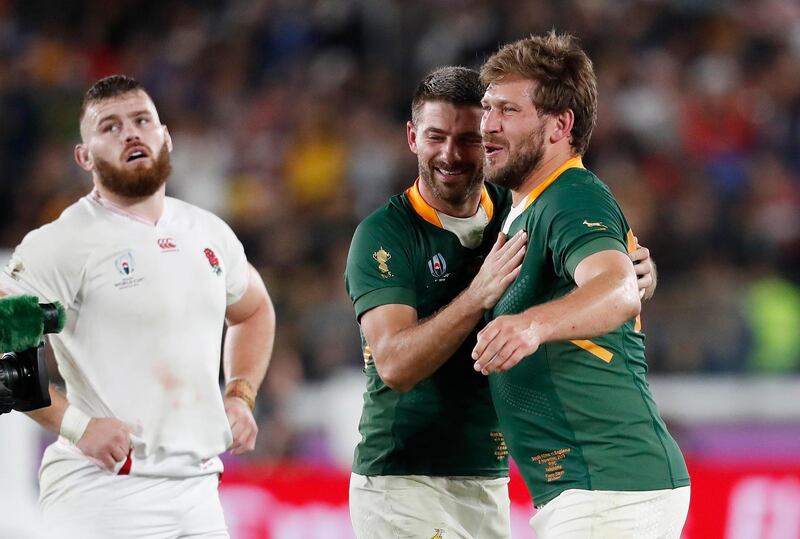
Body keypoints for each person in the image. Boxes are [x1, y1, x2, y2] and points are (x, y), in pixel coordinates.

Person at [344, 66, 657, 539]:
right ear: (412, 137)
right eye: (435, 137)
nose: (450, 155)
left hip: (490, 479)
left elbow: (595, 278)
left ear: (491, 137)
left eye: (468, 139)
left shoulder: (518, 211)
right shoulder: (384, 235)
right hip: (404, 480)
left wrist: (636, 277)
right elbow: (393, 364)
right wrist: (476, 296)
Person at [0, 75, 275, 539]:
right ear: (84, 156)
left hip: (199, 491)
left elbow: (254, 310)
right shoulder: (62, 244)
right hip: (102, 494)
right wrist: (76, 425)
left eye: (141, 120)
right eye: (109, 127)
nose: (130, 133)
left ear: (164, 136)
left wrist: (241, 395)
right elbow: (4, 349)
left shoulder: (208, 233)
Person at [473, 33, 690, 538]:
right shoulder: (526, 207)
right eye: (487, 107)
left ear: (559, 125)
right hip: (591, 490)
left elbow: (616, 286)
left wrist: (530, 325)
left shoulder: (570, 198)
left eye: (508, 109)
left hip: (611, 489)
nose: (488, 124)